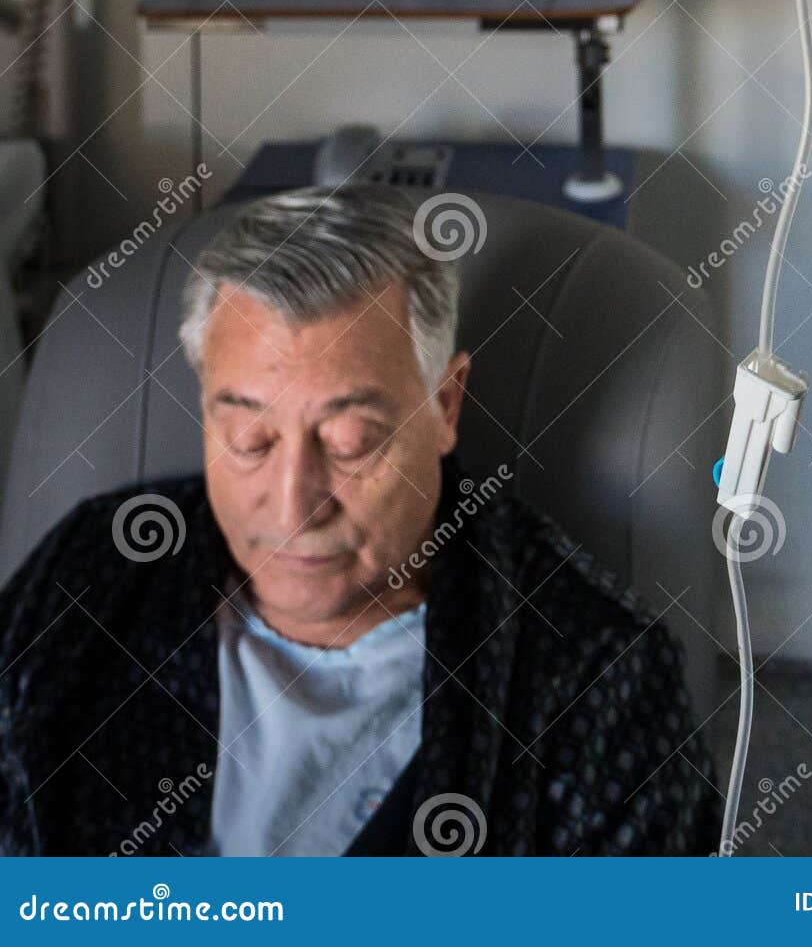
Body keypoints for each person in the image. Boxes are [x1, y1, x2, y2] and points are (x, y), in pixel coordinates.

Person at [0, 185, 719, 857]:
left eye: (350, 443)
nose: (291, 508)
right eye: (249, 440)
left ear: (445, 406)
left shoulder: (591, 674)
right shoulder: (92, 573)